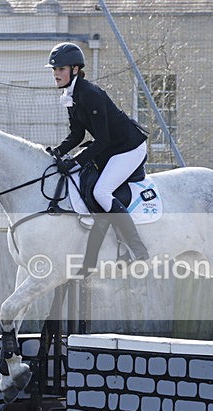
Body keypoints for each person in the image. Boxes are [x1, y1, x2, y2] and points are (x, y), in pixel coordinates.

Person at [45, 42, 149, 262]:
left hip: (129, 148)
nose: (56, 73)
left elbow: (102, 140)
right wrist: (57, 151)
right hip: (111, 149)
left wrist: (74, 163)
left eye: (60, 69)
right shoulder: (71, 95)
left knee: (101, 192)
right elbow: (77, 134)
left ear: (74, 70)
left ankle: (137, 249)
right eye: (54, 69)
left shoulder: (90, 94)